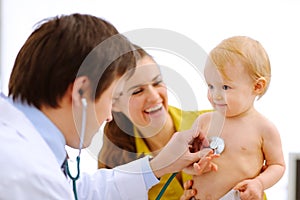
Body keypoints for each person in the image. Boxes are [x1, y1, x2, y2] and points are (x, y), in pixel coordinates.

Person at [0, 13, 218, 199]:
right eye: (113, 97)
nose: (108, 117)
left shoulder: (31, 154)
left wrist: (160, 165)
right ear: (81, 91)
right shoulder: (25, 173)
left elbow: (82, 192)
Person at [98, 45, 267, 200]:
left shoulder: (219, 123)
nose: (155, 96)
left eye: (157, 82)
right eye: (137, 91)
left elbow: (255, 187)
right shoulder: (116, 163)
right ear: (114, 103)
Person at [190, 36, 285, 200]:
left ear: (257, 86)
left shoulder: (263, 128)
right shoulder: (203, 122)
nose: (215, 95)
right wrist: (194, 168)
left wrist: (259, 183)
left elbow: (277, 165)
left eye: (225, 87)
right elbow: (186, 160)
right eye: (211, 86)